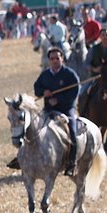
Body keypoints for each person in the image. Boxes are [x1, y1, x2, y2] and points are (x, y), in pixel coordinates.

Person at [35, 48, 81, 176]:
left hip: (66, 109)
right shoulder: (45, 75)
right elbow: (37, 88)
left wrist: (59, 100)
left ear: (62, 59)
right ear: (49, 60)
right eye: (52, 59)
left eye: (57, 58)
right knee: (33, 130)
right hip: (49, 110)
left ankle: (72, 163)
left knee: (72, 132)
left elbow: (74, 91)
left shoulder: (69, 74)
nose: (55, 61)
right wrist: (43, 92)